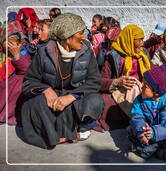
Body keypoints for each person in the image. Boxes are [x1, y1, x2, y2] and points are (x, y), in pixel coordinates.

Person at [21, 13, 104, 149]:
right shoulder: (44, 52)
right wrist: (46, 90)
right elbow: (29, 81)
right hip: (52, 100)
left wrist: (71, 96)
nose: (84, 37)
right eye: (80, 33)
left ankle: (79, 126)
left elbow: (94, 81)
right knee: (32, 104)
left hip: (76, 98)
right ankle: (54, 133)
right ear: (66, 35)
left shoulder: (86, 51)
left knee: (95, 101)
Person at [97, 24, 151, 131]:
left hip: (142, 88)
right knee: (107, 104)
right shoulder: (113, 56)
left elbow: (151, 72)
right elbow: (101, 81)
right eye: (139, 40)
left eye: (142, 40)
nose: (142, 43)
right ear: (129, 39)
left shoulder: (143, 53)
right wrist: (117, 81)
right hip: (120, 91)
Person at [129, 64, 166, 162]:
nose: (141, 87)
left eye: (146, 86)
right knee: (132, 130)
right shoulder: (139, 99)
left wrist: (154, 132)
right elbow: (137, 117)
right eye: (143, 83)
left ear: (157, 92)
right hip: (149, 132)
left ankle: (152, 150)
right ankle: (159, 151)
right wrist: (142, 132)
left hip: (165, 133)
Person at [0, 24, 31, 125]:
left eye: (13, 42)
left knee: (19, 81)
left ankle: (6, 115)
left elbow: (27, 72)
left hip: (11, 88)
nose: (10, 45)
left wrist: (17, 57)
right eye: (7, 42)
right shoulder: (2, 54)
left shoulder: (23, 52)